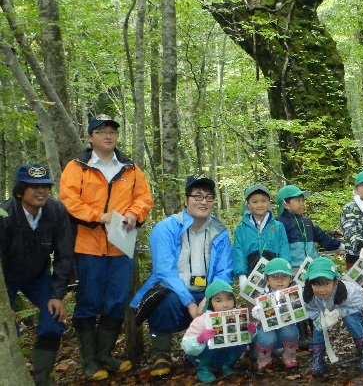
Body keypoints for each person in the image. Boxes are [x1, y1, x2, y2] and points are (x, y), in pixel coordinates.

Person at [60, 115, 154, 381]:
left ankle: (105, 354)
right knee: (88, 302)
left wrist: (134, 214)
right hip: (88, 245)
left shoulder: (130, 168)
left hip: (121, 245)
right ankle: (89, 360)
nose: (108, 135)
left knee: (116, 301)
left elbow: (144, 198)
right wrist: (97, 215)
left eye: (112, 131)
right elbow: (68, 200)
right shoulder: (77, 167)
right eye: (101, 131)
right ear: (90, 137)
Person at [130, 174, 233, 378]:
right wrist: (189, 302)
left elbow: (225, 270)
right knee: (163, 300)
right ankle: (161, 352)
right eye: (197, 196)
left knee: (223, 302)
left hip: (205, 293)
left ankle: (205, 352)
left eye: (208, 197)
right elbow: (164, 271)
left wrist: (209, 298)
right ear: (186, 200)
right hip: (176, 292)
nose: (203, 202)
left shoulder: (219, 231)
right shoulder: (166, 228)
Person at [0, 164, 73, 386]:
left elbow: (65, 255)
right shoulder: (5, 215)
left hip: (39, 276)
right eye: (34, 187)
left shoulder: (56, 211)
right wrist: (4, 307)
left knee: (54, 319)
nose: (41, 191)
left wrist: (57, 294)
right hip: (6, 279)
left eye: (45, 186)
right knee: (6, 327)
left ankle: (41, 376)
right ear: (21, 191)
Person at [302, 257, 363, 376]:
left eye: (326, 284)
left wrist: (339, 313)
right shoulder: (308, 295)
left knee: (351, 319)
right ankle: (318, 358)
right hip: (323, 313)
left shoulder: (347, 291)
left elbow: (359, 304)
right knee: (319, 326)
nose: (322, 290)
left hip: (347, 310)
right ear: (310, 283)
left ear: (335, 281)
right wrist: (320, 320)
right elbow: (310, 310)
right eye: (317, 285)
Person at [181, 281, 246, 383]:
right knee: (210, 340)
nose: (225, 304)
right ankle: (203, 369)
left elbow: (248, 337)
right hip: (204, 356)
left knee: (241, 338)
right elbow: (186, 345)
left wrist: (250, 330)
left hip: (223, 355)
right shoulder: (202, 320)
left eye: (229, 298)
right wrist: (199, 339)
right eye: (218, 300)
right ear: (210, 302)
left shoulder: (238, 317)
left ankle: (227, 365)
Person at [233, 184, 290, 290]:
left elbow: (284, 249)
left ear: (269, 203)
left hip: (275, 276)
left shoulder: (278, 226)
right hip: (251, 275)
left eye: (264, 201)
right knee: (254, 305)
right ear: (248, 205)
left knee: (274, 305)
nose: (260, 205)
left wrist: (284, 271)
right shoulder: (241, 229)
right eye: (255, 202)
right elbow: (238, 252)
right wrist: (242, 275)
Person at [276, 185, 344, 271]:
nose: (301, 203)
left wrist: (340, 246)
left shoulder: (307, 222)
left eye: (302, 200)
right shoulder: (279, 223)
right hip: (292, 268)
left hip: (312, 267)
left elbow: (322, 236)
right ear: (285, 204)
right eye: (297, 200)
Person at [249, 258, 301, 370]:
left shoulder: (294, 293)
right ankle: (264, 361)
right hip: (266, 330)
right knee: (267, 338)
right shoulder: (261, 294)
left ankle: (289, 357)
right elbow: (254, 314)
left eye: (284, 276)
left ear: (290, 279)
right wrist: (257, 314)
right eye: (275, 277)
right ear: (267, 280)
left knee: (291, 332)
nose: (280, 280)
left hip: (285, 328)